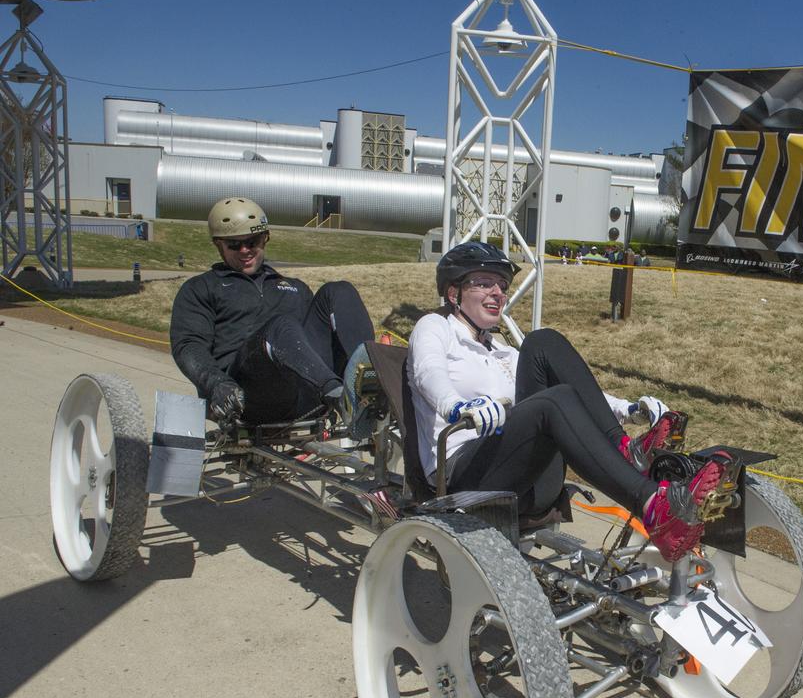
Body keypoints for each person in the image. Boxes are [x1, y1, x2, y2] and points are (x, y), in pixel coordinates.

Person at [406, 241, 732, 561]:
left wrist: (627, 409)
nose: (498, 293)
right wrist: (457, 406)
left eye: (501, 285)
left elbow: (574, 391)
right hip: (467, 477)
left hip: (526, 478)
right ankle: (652, 506)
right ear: (453, 293)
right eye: (483, 283)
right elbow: (427, 373)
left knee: (543, 342)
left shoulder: (503, 349)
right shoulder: (435, 327)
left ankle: (625, 450)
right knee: (553, 400)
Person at [170, 197, 374, 428]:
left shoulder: (294, 287)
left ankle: (370, 383)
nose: (245, 250)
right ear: (218, 244)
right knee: (280, 327)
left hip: (304, 392)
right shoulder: (201, 288)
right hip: (248, 395)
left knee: (338, 290)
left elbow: (310, 342)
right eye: (234, 245)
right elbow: (189, 346)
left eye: (252, 241)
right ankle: (341, 397)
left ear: (265, 238)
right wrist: (217, 384)